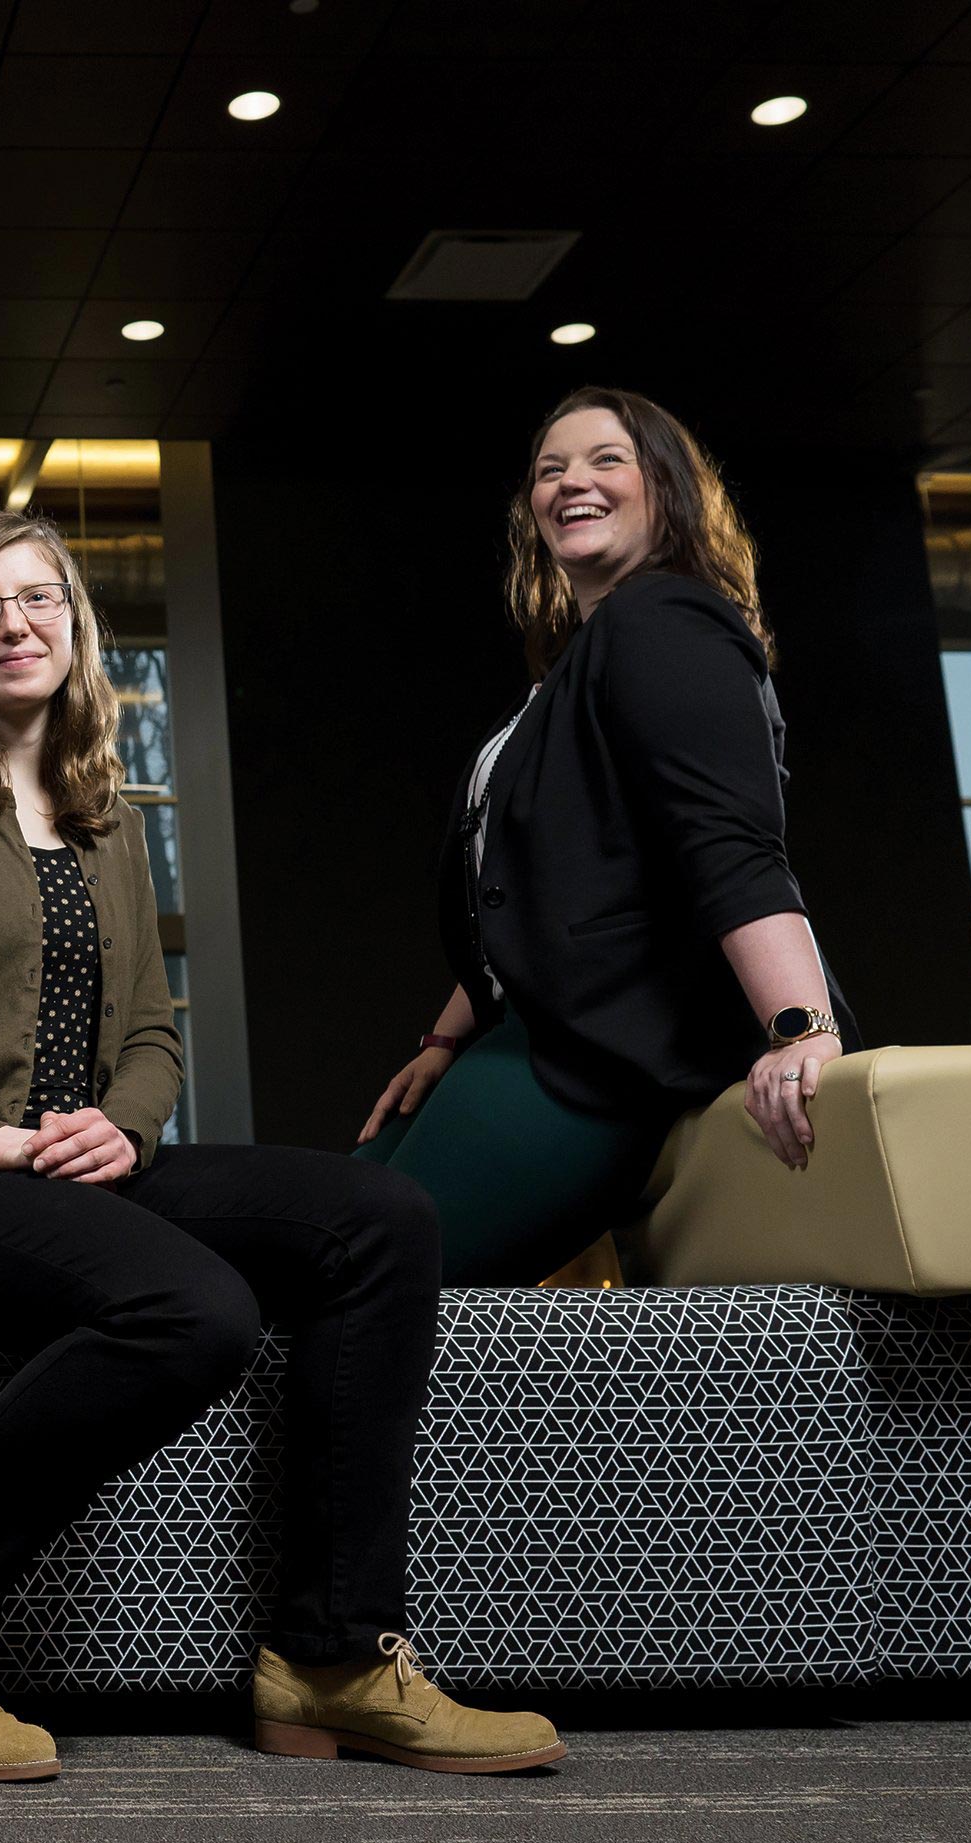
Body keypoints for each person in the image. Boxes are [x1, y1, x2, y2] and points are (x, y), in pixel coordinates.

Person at [0, 510, 562, 1782]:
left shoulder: (108, 819)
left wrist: (122, 1124)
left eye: (39, 598)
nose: (13, 625)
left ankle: (329, 1657)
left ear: (74, 627)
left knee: (379, 1220)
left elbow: (147, 1035)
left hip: (84, 1163)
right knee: (192, 1311)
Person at [355, 386, 857, 1289]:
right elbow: (531, 892)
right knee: (334, 1230)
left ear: (665, 487)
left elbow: (732, 849)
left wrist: (801, 1029)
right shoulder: (579, 662)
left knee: (359, 1266)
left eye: (604, 461)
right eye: (550, 470)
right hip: (541, 1030)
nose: (570, 484)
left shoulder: (664, 622)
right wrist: (441, 1043)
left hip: (612, 1050)